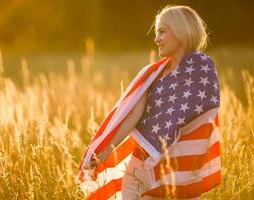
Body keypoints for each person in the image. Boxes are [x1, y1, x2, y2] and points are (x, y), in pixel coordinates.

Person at [81, 5, 220, 200]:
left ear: (181, 30)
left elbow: (200, 118)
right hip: (140, 168)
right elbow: (134, 116)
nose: (157, 39)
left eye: (162, 32)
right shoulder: (153, 74)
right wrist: (103, 153)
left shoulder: (202, 68)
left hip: (179, 172)